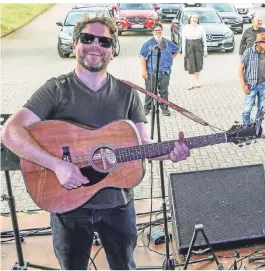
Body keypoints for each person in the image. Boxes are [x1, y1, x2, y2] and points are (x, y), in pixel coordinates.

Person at [0, 17, 190, 270]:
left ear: (113, 49)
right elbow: (10, 131)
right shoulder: (56, 89)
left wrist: (169, 153)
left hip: (117, 206)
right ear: (76, 44)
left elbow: (143, 143)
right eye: (88, 39)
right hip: (67, 205)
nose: (95, 45)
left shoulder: (127, 92)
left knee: (124, 266)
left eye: (104, 41)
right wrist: (56, 165)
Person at [140, 22, 179, 117]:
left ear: (162, 31)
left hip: (165, 72)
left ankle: (164, 108)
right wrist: (143, 71)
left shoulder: (167, 42)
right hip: (151, 72)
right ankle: (147, 108)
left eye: (160, 30)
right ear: (153, 31)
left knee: (164, 91)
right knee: (150, 91)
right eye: (156, 30)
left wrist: (170, 59)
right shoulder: (147, 44)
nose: (158, 32)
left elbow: (176, 50)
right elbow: (142, 58)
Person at [239, 33, 265, 125]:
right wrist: (243, 84)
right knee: (247, 109)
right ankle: (246, 128)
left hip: (264, 85)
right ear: (258, 43)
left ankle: (257, 130)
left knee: (261, 110)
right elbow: (240, 68)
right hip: (250, 85)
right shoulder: (248, 52)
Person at [239, 15, 265, 107]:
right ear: (252, 22)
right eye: (257, 20)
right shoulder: (247, 32)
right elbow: (242, 44)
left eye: (260, 20)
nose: (259, 22)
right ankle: (251, 97)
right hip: (250, 59)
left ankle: (263, 99)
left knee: (264, 78)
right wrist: (241, 56)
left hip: (263, 58)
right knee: (250, 78)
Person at [182, 13, 208, 90]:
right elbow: (183, 40)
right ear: (190, 18)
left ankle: (196, 81)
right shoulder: (186, 28)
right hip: (189, 46)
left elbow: (204, 40)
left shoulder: (201, 28)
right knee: (190, 65)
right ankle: (191, 83)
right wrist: (183, 51)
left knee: (198, 63)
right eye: (193, 17)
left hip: (198, 46)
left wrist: (205, 50)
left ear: (198, 20)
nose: (194, 19)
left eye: (196, 18)